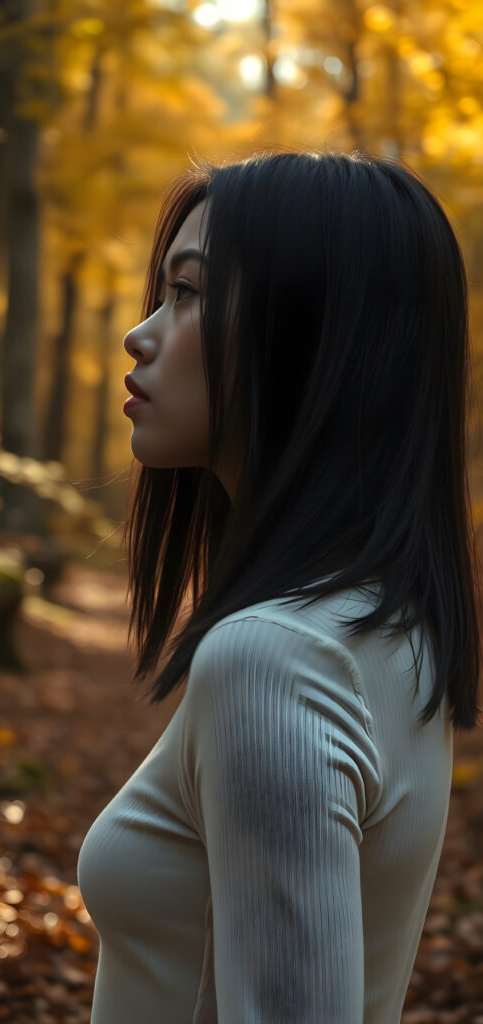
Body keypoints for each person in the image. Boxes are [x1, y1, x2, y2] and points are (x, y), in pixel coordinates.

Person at [77, 149, 482, 1023]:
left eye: (186, 294)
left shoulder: (276, 657)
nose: (139, 333)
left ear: (305, 336)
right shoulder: (384, 625)